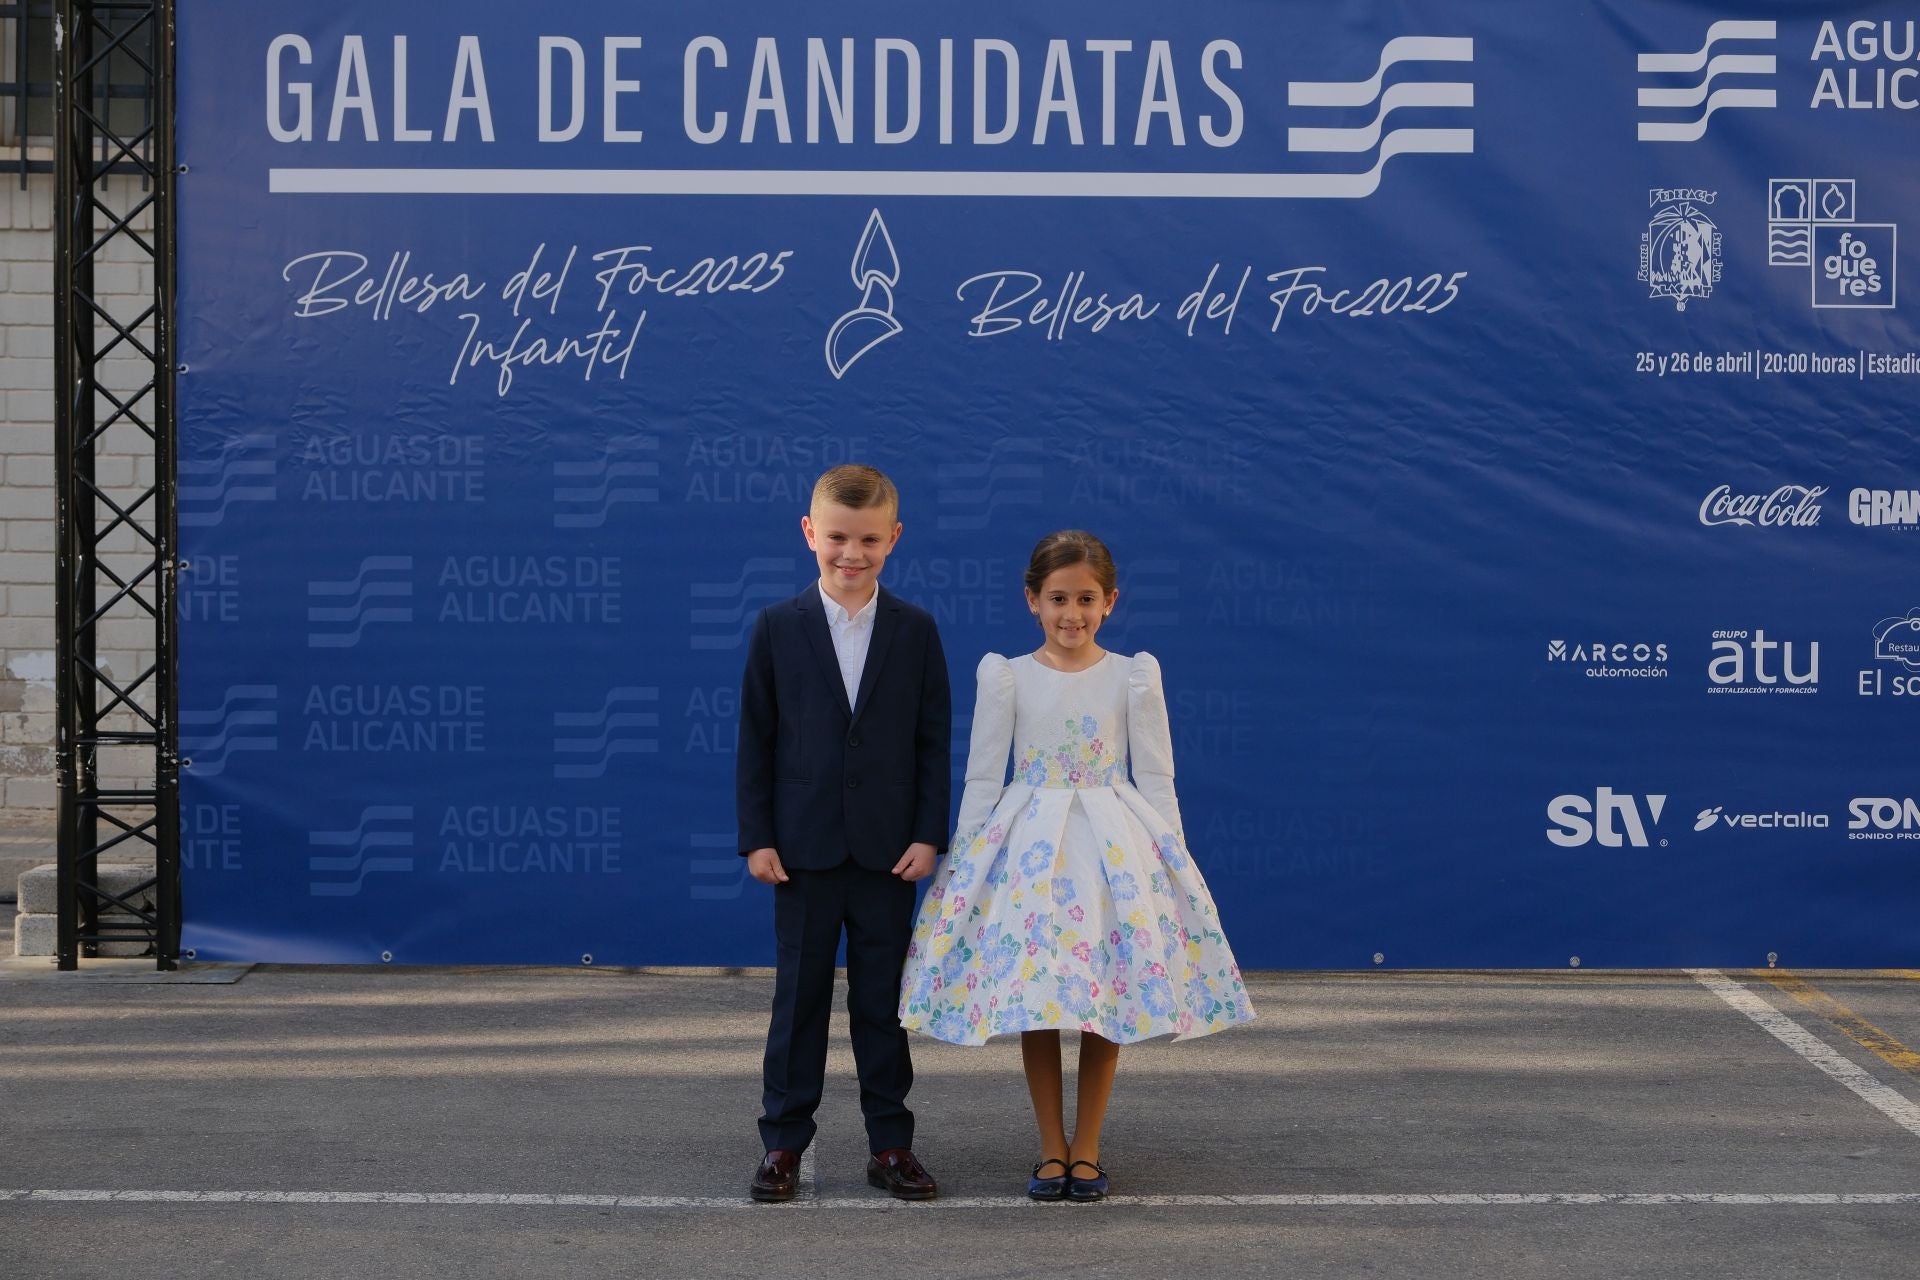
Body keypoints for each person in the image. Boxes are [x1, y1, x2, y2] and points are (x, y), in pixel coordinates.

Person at [898, 529, 1253, 1202]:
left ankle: (1086, 1145)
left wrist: (1172, 855)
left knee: (1102, 998)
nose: (1072, 614)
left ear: (1110, 601)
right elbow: (981, 776)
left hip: (1110, 851)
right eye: (1058, 598)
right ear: (1032, 599)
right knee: (1041, 997)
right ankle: (1049, 1146)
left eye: (1086, 599)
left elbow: (1154, 770)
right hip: (1031, 853)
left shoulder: (1133, 674)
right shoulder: (1007, 675)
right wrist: (967, 860)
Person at [737, 464, 952, 1203]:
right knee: (796, 1001)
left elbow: (932, 741)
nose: (850, 553)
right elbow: (756, 741)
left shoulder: (917, 631)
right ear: (809, 534)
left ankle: (891, 1143)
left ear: (893, 538)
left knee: (882, 1004)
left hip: (889, 855)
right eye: (836, 538)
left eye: (867, 539)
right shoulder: (776, 627)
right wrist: (757, 837)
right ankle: (783, 1143)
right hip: (801, 852)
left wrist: (930, 834)